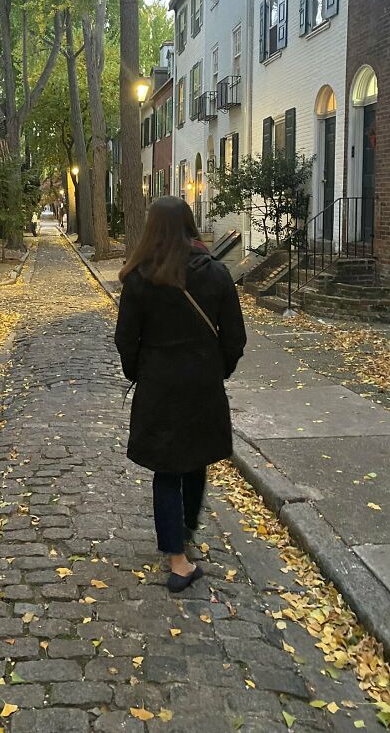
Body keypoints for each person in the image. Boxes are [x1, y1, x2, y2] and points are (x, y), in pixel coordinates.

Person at [114, 197, 246, 592]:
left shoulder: (139, 279)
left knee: (167, 470)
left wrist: (140, 372)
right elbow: (235, 339)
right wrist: (216, 369)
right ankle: (183, 542)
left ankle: (177, 553)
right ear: (190, 226)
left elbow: (126, 340)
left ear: (152, 230)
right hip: (202, 385)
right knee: (195, 459)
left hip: (159, 387)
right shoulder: (217, 275)